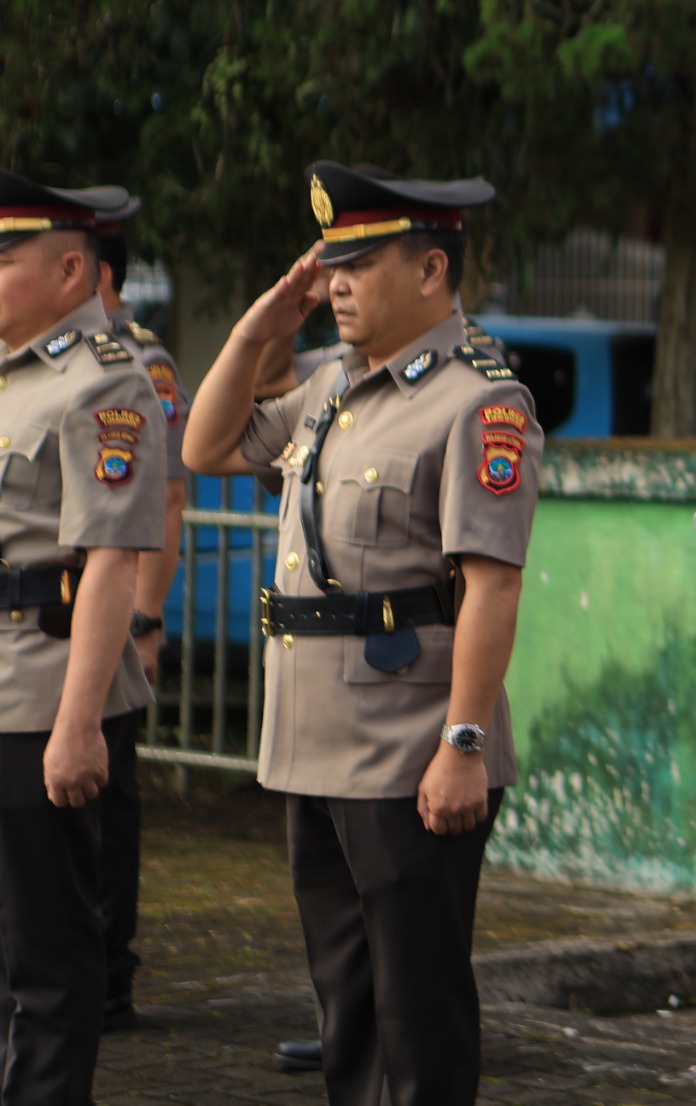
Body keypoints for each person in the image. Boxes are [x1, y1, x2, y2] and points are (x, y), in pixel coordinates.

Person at [184, 163, 541, 1106]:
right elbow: (206, 448)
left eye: (359, 265)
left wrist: (463, 744)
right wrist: (260, 327)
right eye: (331, 266)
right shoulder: (332, 386)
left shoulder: (479, 401)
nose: (336, 285)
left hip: (407, 751)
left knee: (417, 1018)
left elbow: (493, 586)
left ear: (430, 270)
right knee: (346, 1013)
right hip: (315, 743)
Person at [0, 172, 163, 1102]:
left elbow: (110, 562)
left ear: (70, 270)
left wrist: (77, 725)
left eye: (4, 259)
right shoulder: (12, 375)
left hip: (43, 693)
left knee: (52, 956)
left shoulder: (105, 383)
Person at [90, 197, 190, 1032]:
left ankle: (108, 971)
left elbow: (166, 499)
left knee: (107, 796)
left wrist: (147, 621)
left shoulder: (142, 362)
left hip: (113, 617)